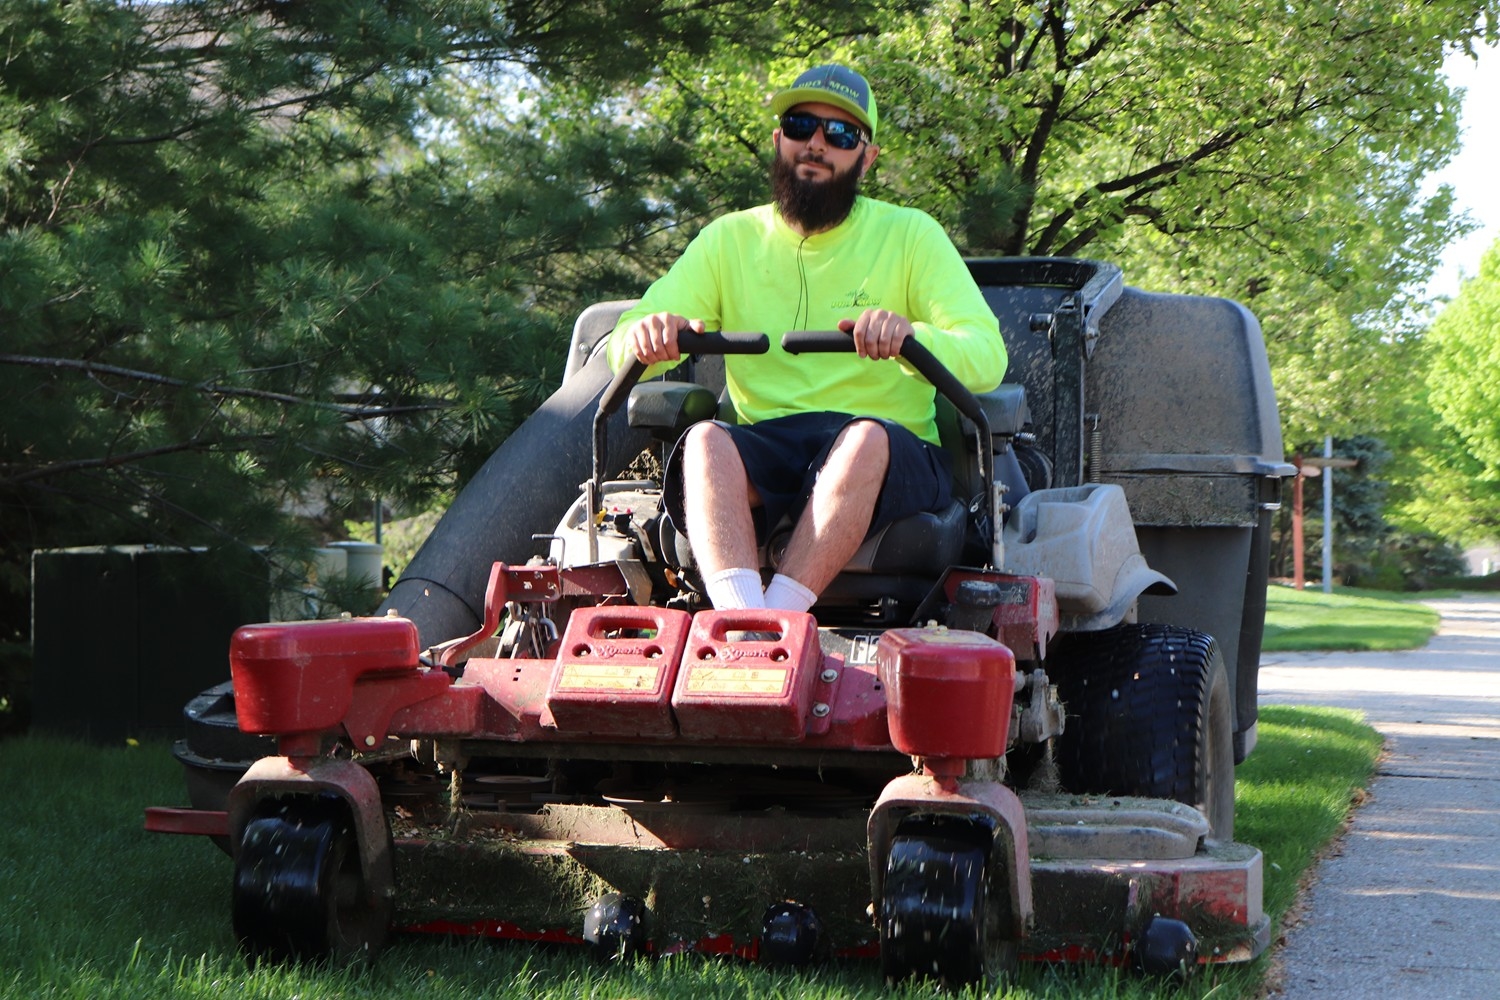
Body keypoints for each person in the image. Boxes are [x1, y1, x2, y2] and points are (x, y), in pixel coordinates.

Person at [607, 63, 1006, 613]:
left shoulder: (912, 234)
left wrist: (913, 339)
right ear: (779, 140)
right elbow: (619, 347)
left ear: (867, 157)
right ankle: (743, 628)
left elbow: (987, 354)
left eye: (840, 134)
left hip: (891, 452)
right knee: (703, 442)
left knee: (864, 441)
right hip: (771, 443)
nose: (817, 144)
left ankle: (775, 625)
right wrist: (647, 337)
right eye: (801, 126)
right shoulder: (728, 240)